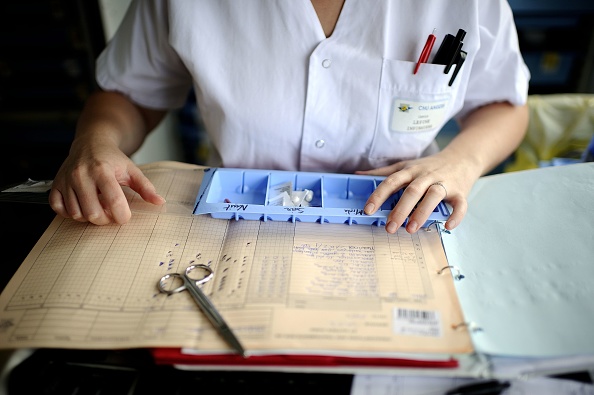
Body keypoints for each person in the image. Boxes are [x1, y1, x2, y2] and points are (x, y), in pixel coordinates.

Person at [49, 0, 530, 234]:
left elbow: (504, 105)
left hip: (401, 221)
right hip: (233, 222)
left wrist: (461, 162)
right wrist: (96, 141)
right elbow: (131, 92)